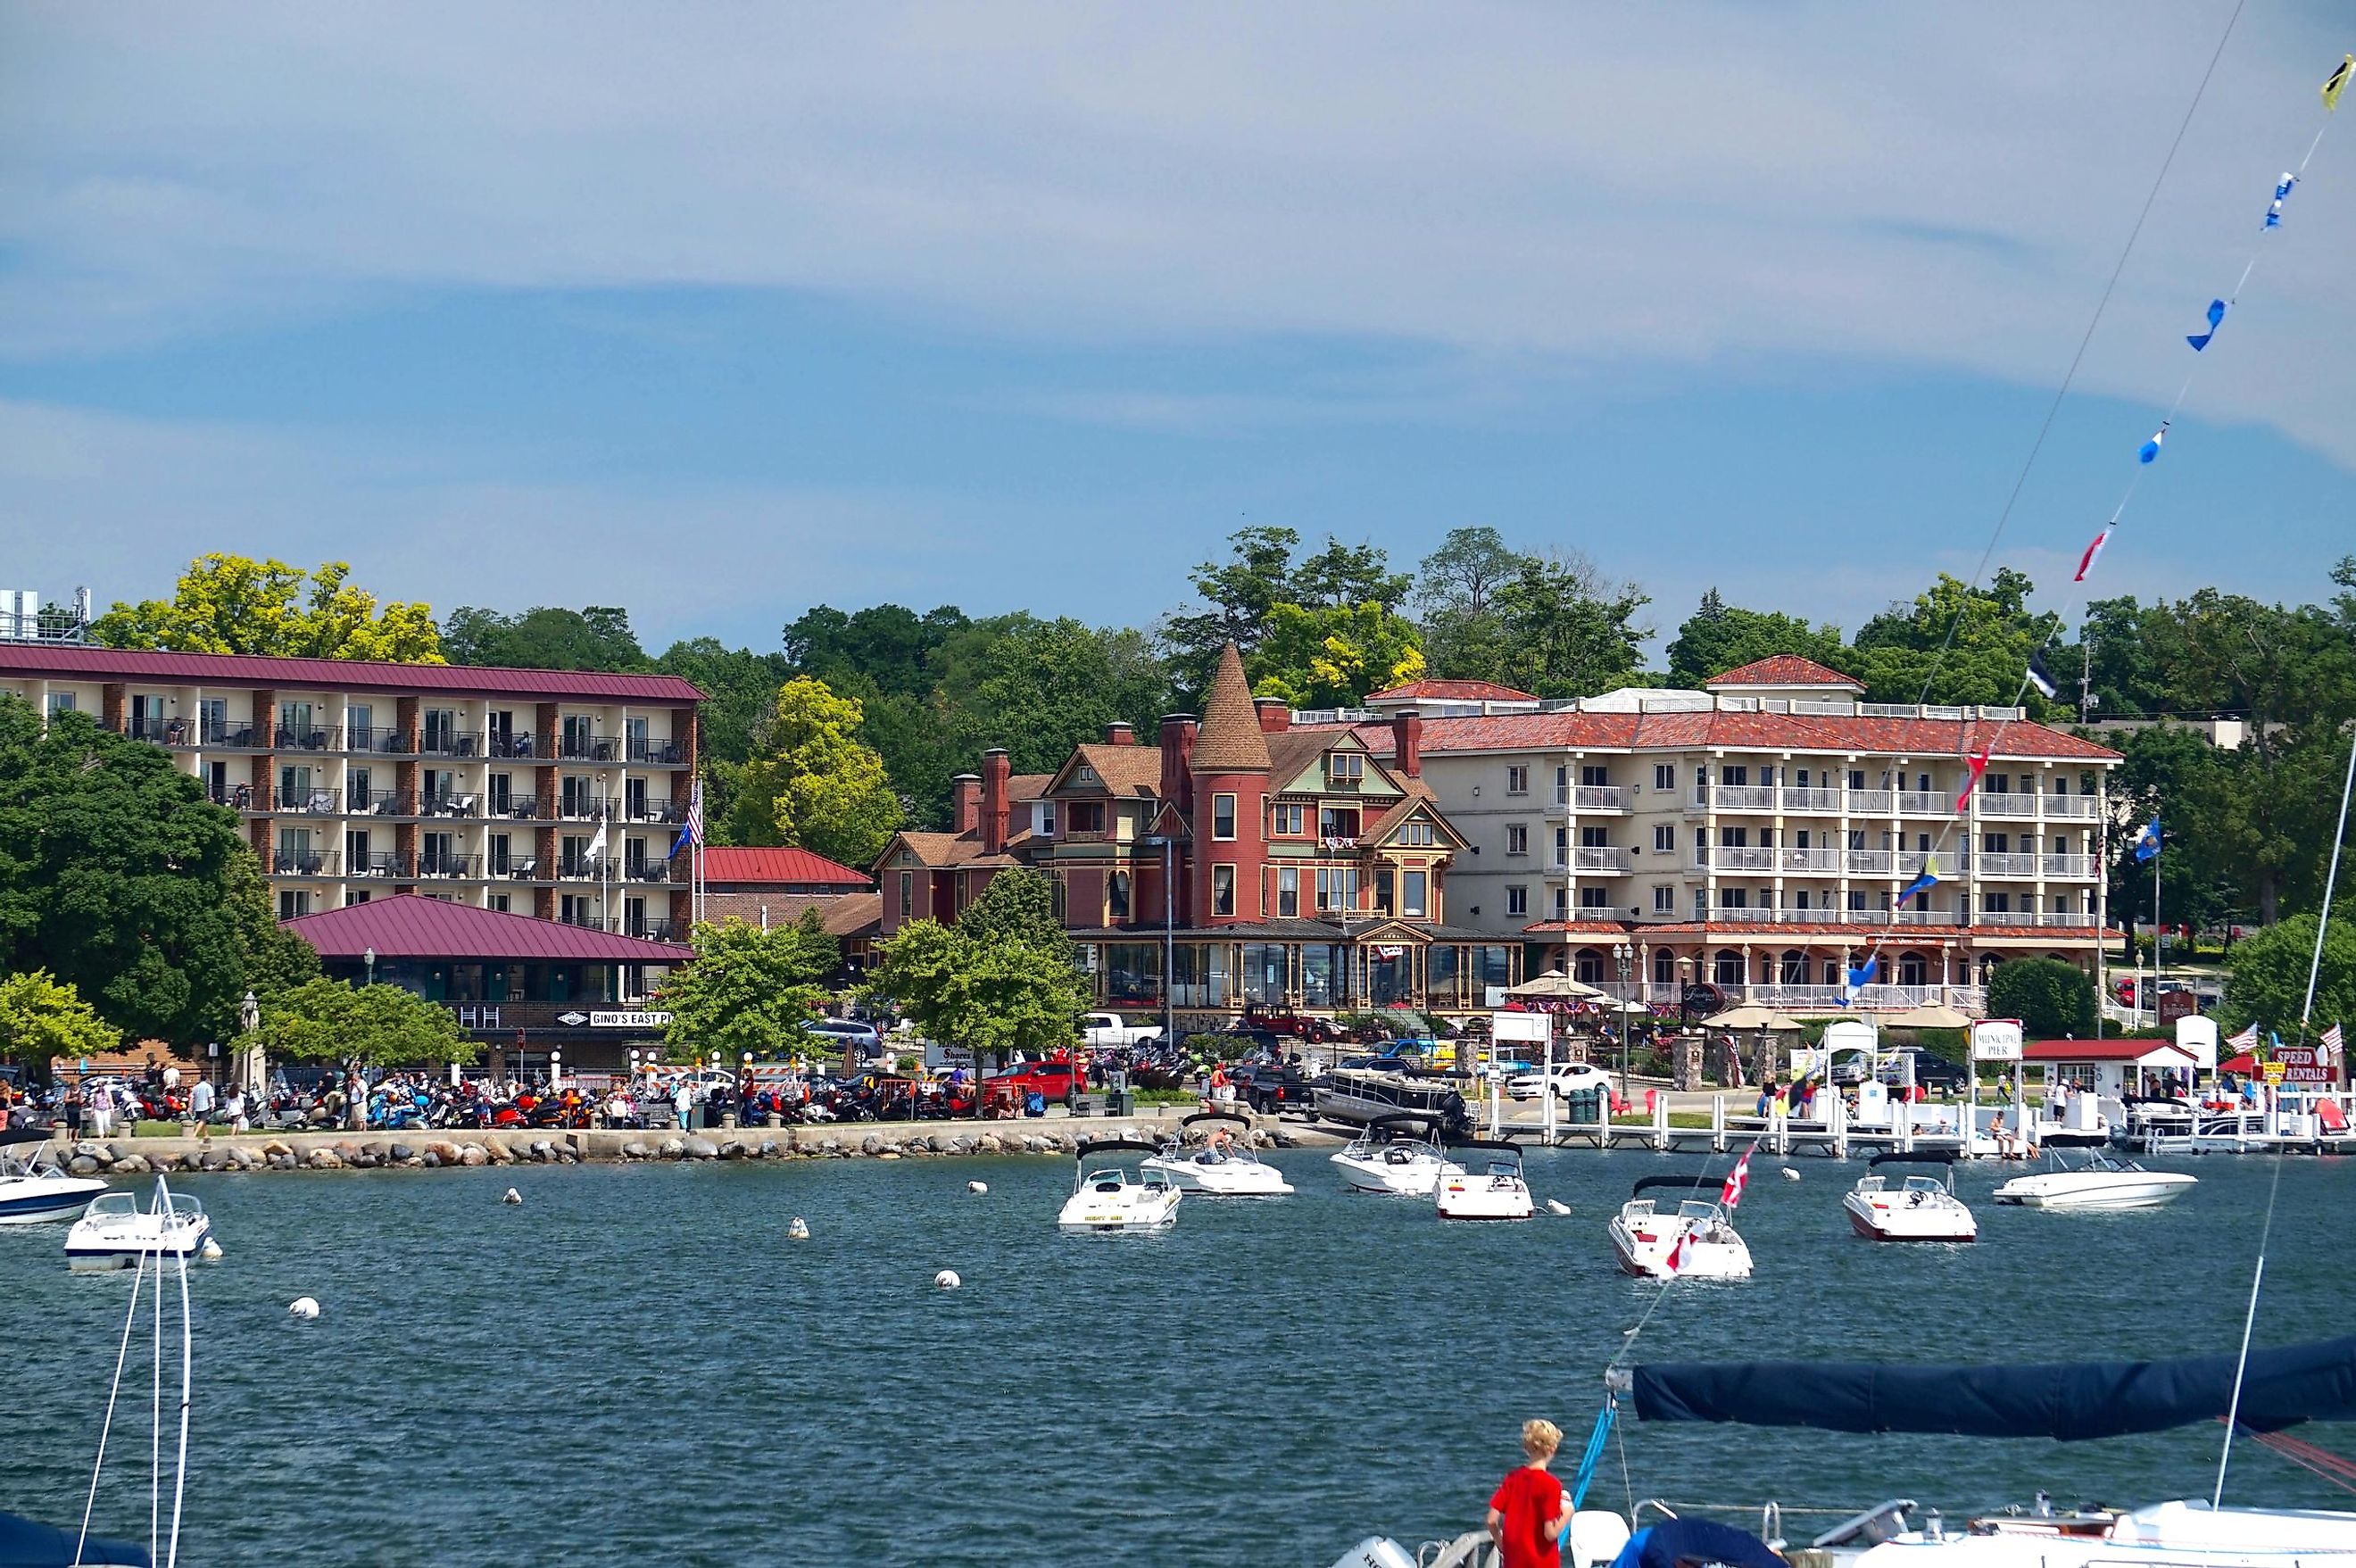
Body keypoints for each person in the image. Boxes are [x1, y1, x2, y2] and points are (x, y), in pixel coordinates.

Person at [1485, 1419, 1570, 1568]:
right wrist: (1568, 1514)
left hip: (1514, 1562)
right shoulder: (1552, 1484)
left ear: (1526, 1447)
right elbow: (1550, 1533)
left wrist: (1501, 1545)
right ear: (1553, 1448)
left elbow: (1491, 1520)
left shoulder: (1512, 1478)